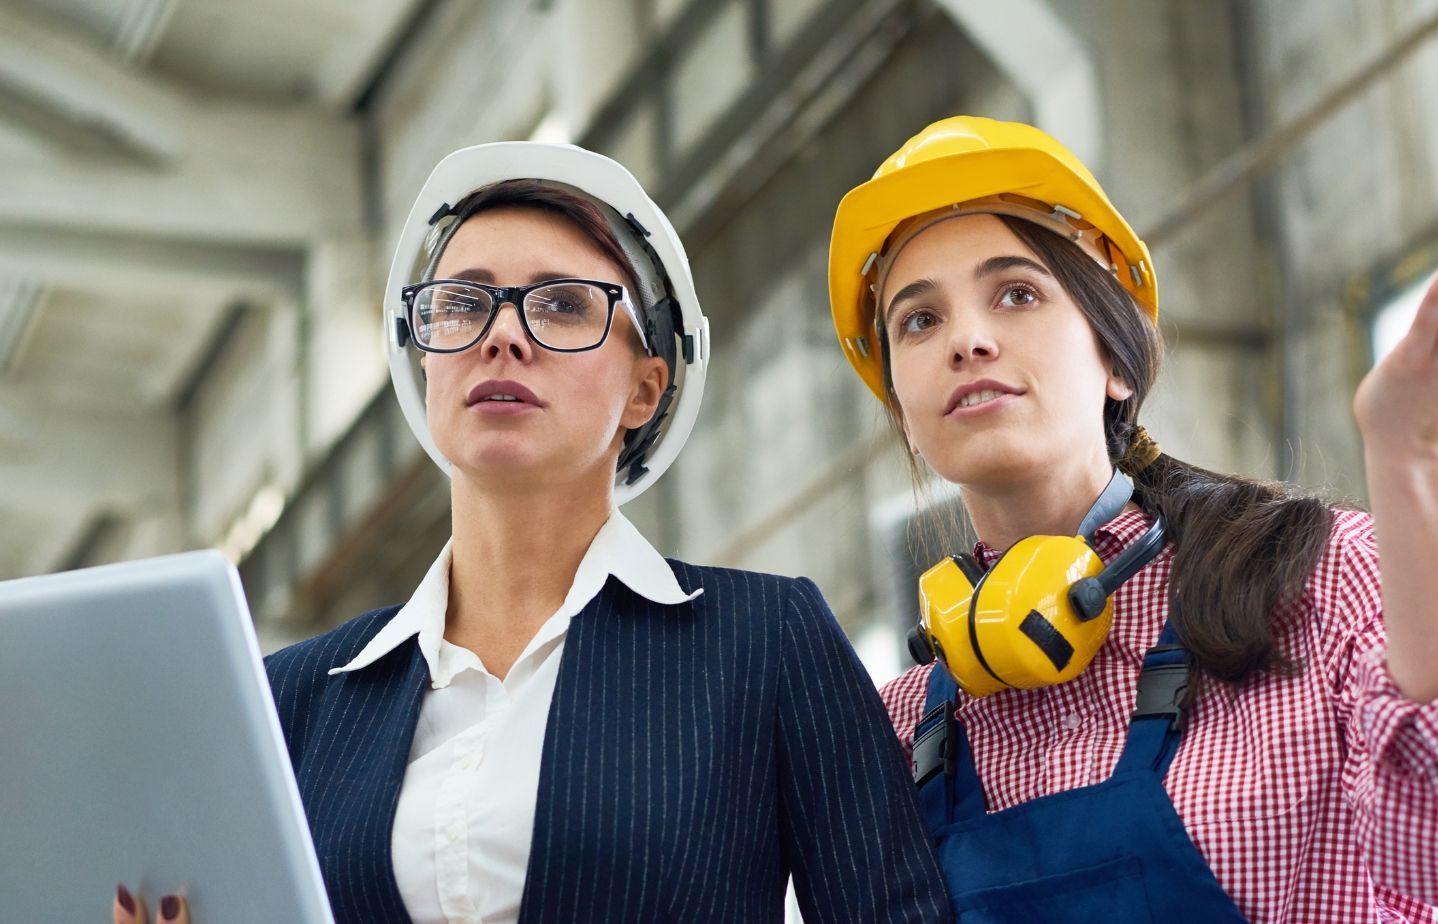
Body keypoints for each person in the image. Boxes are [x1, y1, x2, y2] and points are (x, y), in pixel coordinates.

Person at [116, 142, 950, 924]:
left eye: (561, 305)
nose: (503, 335)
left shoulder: (763, 644)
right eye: (462, 305)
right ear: (426, 361)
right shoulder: (293, 700)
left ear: (644, 390)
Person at [825, 116, 1438, 921]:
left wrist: (1414, 452)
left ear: (1116, 362)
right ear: (903, 412)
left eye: (1017, 293)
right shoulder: (898, 732)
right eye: (919, 320)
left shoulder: (1309, 583)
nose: (970, 340)